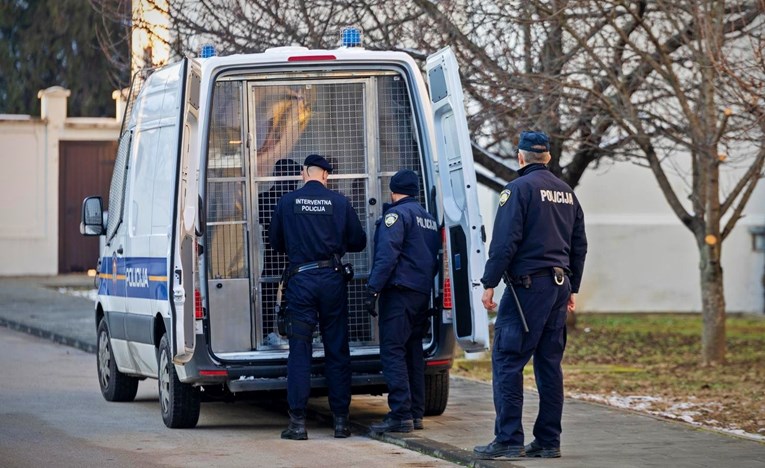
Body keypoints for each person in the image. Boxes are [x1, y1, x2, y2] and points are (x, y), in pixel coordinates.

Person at [473, 131, 587, 460]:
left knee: (508, 360)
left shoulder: (518, 190)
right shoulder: (567, 193)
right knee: (549, 364)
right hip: (559, 285)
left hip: (528, 287)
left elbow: (505, 241)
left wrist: (489, 281)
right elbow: (580, 244)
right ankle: (549, 441)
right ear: (548, 158)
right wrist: (572, 288)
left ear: (520, 157)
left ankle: (508, 439)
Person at [269, 154, 367, 440]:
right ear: (326, 176)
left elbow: (275, 243)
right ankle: (341, 422)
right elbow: (359, 241)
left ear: (303, 174)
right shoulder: (339, 203)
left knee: (300, 350)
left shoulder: (287, 203)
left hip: (301, 281)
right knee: (337, 348)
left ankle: (298, 424)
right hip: (332, 279)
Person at [364, 169, 440, 434]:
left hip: (399, 292)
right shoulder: (428, 218)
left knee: (393, 350)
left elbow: (387, 256)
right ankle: (415, 413)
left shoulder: (396, 215)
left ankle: (400, 415)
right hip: (420, 293)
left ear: (393, 191)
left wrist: (372, 290)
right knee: (412, 352)